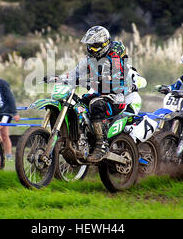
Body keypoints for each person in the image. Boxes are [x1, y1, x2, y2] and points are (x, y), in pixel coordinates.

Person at [52, 26, 131, 162]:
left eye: (95, 46)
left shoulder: (114, 57)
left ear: (104, 44)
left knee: (96, 105)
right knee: (79, 104)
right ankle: (82, 139)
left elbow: (118, 77)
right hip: (99, 94)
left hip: (115, 97)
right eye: (90, 46)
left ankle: (102, 146)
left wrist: (104, 78)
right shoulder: (89, 59)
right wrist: (58, 78)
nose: (92, 49)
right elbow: (75, 73)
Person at [0, 65, 20, 160]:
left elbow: (10, 98)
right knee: (5, 135)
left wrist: (15, 113)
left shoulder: (3, 83)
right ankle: (8, 156)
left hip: (6, 112)